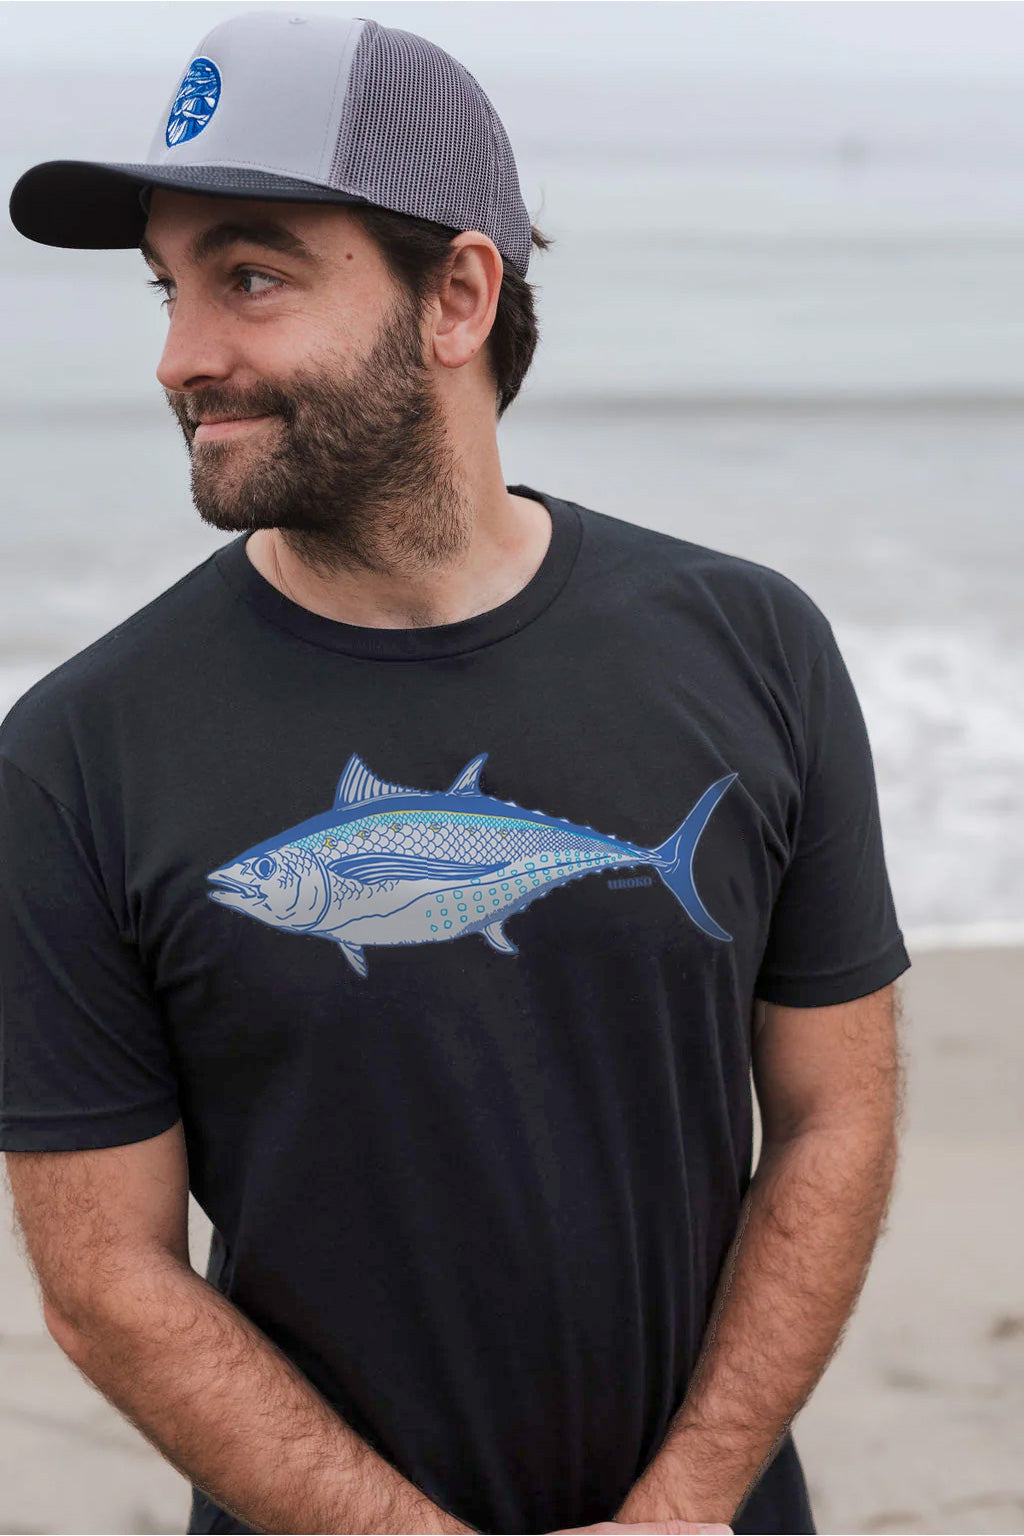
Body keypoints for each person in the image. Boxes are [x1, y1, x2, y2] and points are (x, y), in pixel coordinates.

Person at [0, 11, 910, 1536]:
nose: (181, 356)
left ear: (459, 295)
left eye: (252, 276)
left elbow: (836, 1116)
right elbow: (106, 1280)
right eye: (168, 289)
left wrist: (682, 1508)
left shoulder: (753, 644)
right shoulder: (74, 755)